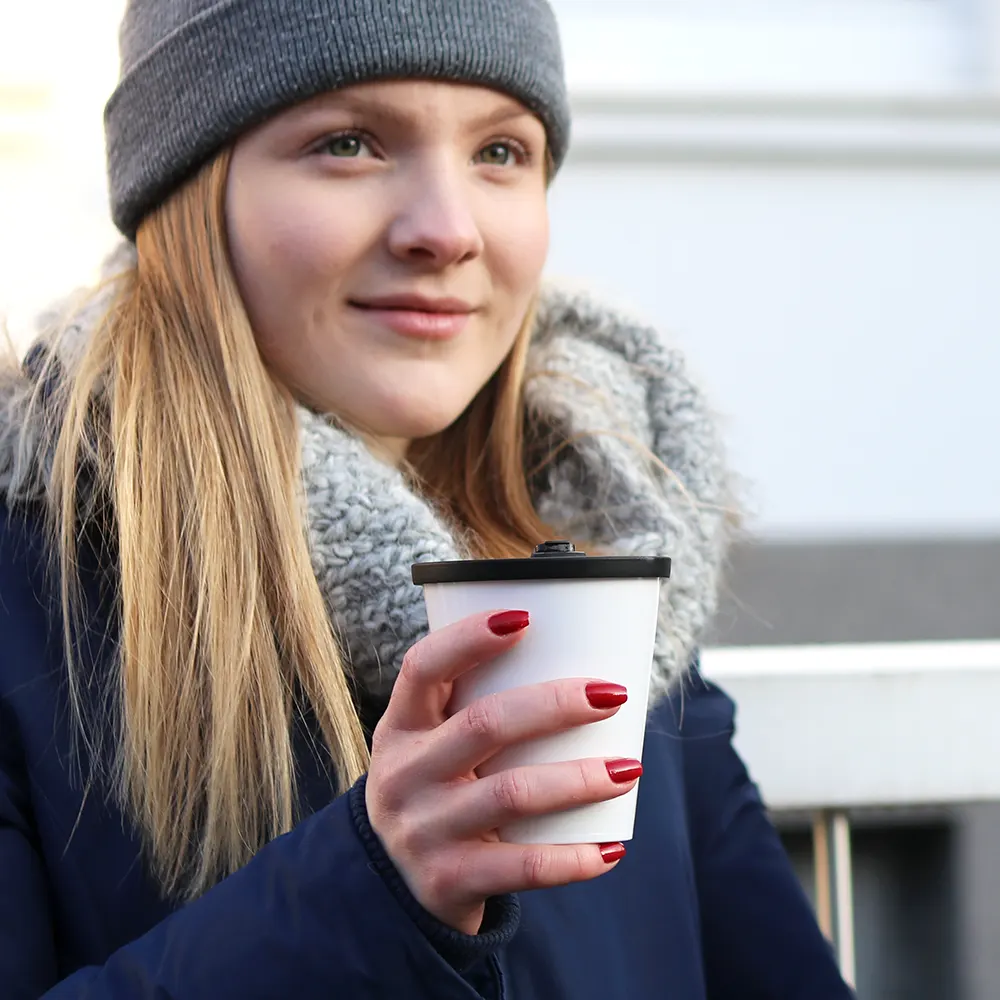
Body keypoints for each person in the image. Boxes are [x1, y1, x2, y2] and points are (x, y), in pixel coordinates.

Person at [0, 1, 855, 997]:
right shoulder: (31, 590)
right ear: (189, 187)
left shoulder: (599, 542)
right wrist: (369, 893)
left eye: (500, 150)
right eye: (350, 143)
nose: (446, 231)